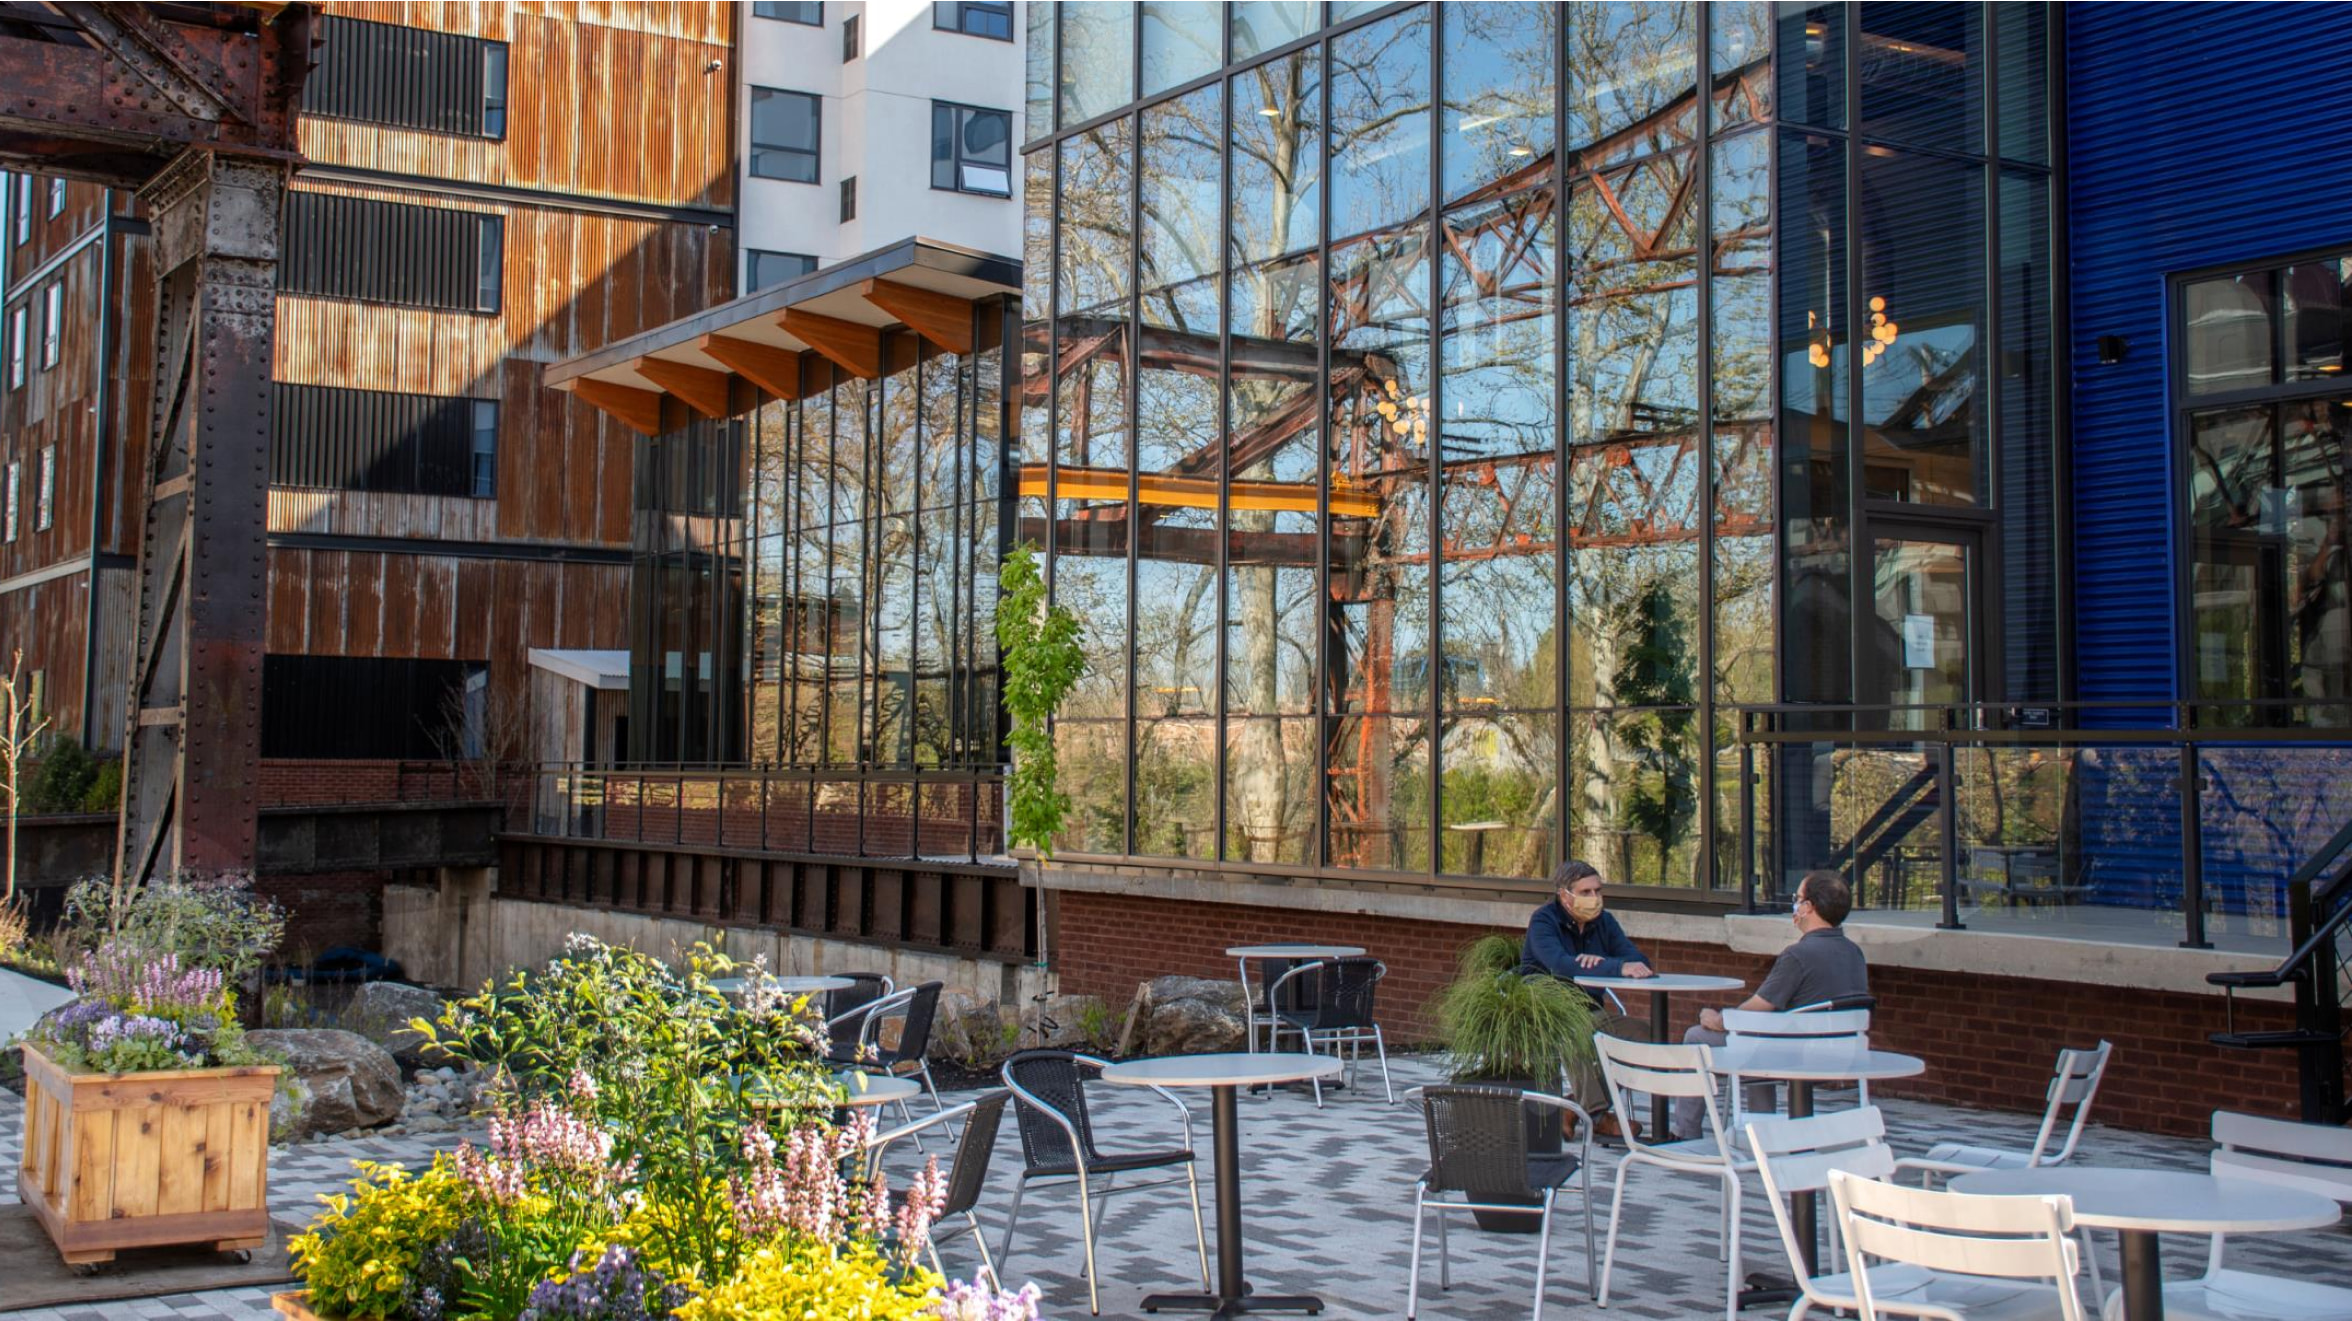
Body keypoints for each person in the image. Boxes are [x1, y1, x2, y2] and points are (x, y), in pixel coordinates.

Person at [1670, 868, 1870, 1139]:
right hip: (1843, 1053)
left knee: (1698, 1037)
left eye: (1797, 898)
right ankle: (1760, 1130)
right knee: (1758, 1041)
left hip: (1796, 1053)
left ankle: (1686, 1133)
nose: (1794, 905)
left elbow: (1757, 1009)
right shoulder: (1854, 952)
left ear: (1808, 907)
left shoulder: (1798, 955)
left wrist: (1719, 1020)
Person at [1520, 859, 1654, 1136]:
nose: (1594, 898)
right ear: (1564, 895)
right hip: (1547, 1011)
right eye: (1585, 893)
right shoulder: (1543, 921)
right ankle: (1597, 1115)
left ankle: (1573, 1107)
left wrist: (1603, 961)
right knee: (1576, 1033)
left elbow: (1638, 960)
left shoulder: (1604, 922)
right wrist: (1614, 966)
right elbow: (1560, 965)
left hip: (1591, 1009)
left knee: (1644, 1035)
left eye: (1598, 891)